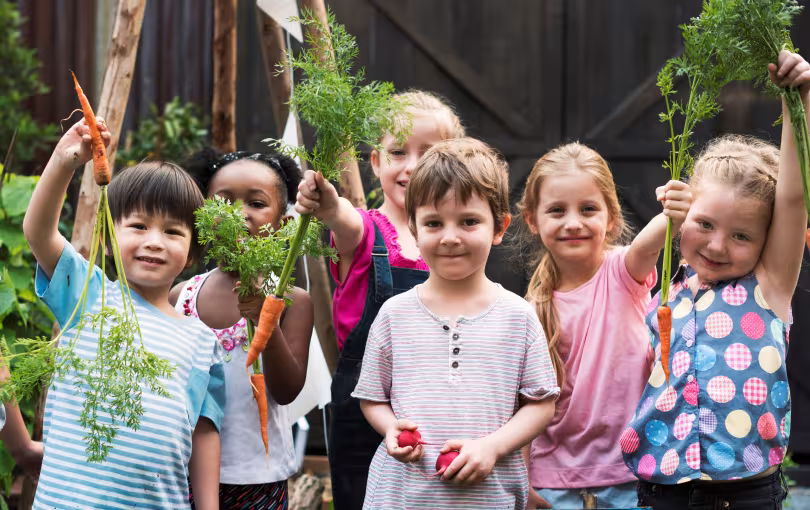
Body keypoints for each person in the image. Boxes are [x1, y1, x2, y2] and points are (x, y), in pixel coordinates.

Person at [623, 50, 810, 509]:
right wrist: (671, 216)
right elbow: (634, 256)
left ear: (766, 242)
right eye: (704, 224)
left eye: (742, 235)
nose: (718, 245)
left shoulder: (768, 287)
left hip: (743, 492)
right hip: (663, 489)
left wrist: (798, 105)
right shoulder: (666, 284)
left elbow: (793, 195)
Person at [22, 118, 225, 509]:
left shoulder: (203, 342)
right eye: (138, 225)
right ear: (111, 236)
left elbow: (204, 434)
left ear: (193, 253)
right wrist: (65, 163)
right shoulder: (88, 293)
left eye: (173, 232)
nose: (154, 242)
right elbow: (38, 231)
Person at [352, 137, 560, 509]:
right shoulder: (394, 314)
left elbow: (541, 404)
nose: (450, 237)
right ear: (414, 230)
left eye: (468, 221)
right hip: (402, 496)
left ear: (499, 227)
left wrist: (492, 447)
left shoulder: (517, 316)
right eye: (433, 222)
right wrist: (389, 429)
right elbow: (372, 398)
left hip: (487, 497)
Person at [295, 90, 465, 508]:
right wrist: (329, 203)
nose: (411, 166)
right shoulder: (366, 230)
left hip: (441, 399)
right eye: (398, 152)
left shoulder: (456, 241)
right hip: (362, 408)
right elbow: (343, 219)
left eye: (428, 152)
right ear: (375, 162)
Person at [518, 142, 692, 509]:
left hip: (632, 476)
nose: (573, 222)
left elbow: (649, 245)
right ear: (532, 220)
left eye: (588, 209)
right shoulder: (531, 307)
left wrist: (673, 210)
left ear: (611, 217)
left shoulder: (623, 272)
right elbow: (523, 402)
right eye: (556, 210)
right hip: (554, 484)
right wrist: (522, 481)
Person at [171, 150, 314, 509]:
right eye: (224, 201)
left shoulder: (292, 300)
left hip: (256, 475)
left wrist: (263, 322)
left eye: (255, 202)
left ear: (281, 223)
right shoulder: (180, 295)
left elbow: (286, 391)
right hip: (178, 470)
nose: (239, 213)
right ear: (203, 216)